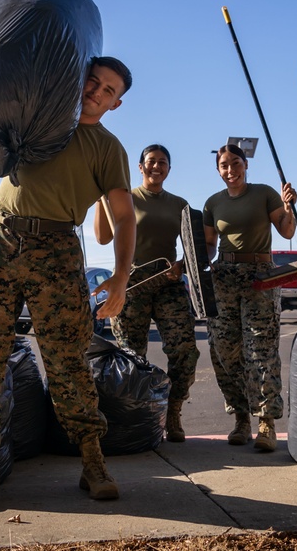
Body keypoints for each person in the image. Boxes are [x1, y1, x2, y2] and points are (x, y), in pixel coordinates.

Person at [0, 56, 136, 508]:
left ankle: (92, 461)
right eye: (93, 81)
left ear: (116, 103)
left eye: (108, 90)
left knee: (68, 359)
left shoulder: (107, 147)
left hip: (57, 250)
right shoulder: (38, 115)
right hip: (0, 239)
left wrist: (120, 276)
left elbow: (124, 215)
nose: (96, 91)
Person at [93, 144, 200, 443]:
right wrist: (102, 199)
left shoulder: (180, 204)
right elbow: (102, 238)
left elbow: (193, 248)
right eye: (151, 162)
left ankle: (173, 411)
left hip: (167, 283)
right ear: (140, 167)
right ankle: (136, 417)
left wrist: (181, 265)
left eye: (163, 162)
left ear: (169, 169)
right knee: (130, 355)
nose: (157, 167)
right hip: (132, 282)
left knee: (184, 351)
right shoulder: (124, 197)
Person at [202, 143, 297, 452]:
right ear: (218, 170)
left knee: (262, 349)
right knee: (225, 350)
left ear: (245, 164)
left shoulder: (264, 193)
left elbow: (286, 231)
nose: (231, 170)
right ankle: (241, 417)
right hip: (224, 278)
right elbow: (208, 247)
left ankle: (266, 422)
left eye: (235, 163)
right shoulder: (212, 203)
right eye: (224, 166)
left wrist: (289, 206)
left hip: (260, 277)